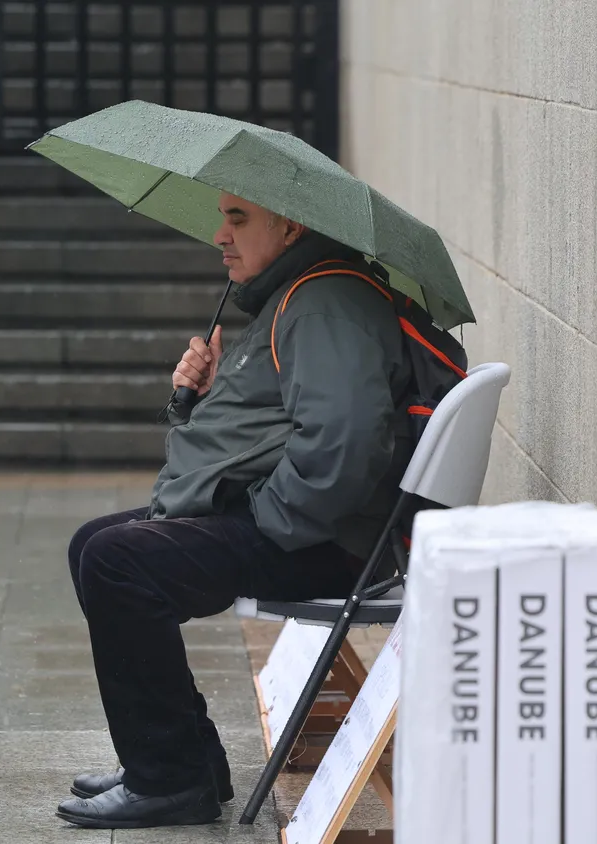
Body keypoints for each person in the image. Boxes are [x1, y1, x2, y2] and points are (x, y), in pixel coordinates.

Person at [57, 193, 416, 829]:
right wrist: (203, 394)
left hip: (326, 545)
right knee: (96, 542)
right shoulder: (298, 296)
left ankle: (171, 779)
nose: (221, 234)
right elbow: (267, 432)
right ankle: (184, 759)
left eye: (239, 218)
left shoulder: (328, 301)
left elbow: (346, 443)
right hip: (309, 525)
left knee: (118, 560)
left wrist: (264, 520)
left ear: (291, 224)